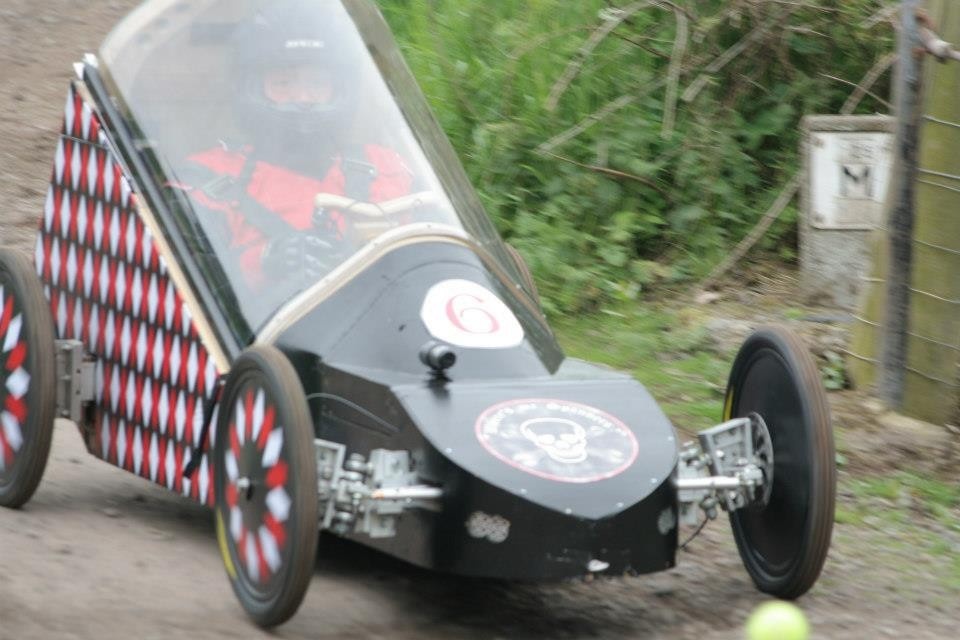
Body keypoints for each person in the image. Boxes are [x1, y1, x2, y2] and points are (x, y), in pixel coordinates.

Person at [176, 0, 415, 289]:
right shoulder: (205, 180)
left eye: (317, 83)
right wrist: (265, 260)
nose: (303, 98)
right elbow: (189, 283)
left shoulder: (387, 167)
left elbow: (437, 254)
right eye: (283, 83)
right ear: (250, 88)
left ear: (341, 89)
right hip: (277, 319)